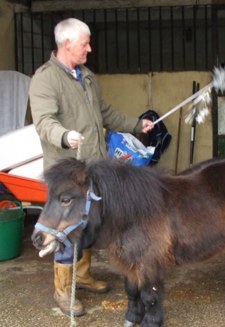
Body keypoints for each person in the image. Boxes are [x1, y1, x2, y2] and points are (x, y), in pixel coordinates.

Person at [29, 17, 154, 317]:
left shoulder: (86, 76)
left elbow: (105, 112)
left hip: (93, 168)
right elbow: (43, 121)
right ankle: (63, 292)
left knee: (87, 225)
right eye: (85, 43)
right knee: (65, 229)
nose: (90, 48)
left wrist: (136, 125)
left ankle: (82, 275)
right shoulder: (45, 79)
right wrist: (64, 135)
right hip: (67, 173)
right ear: (67, 43)